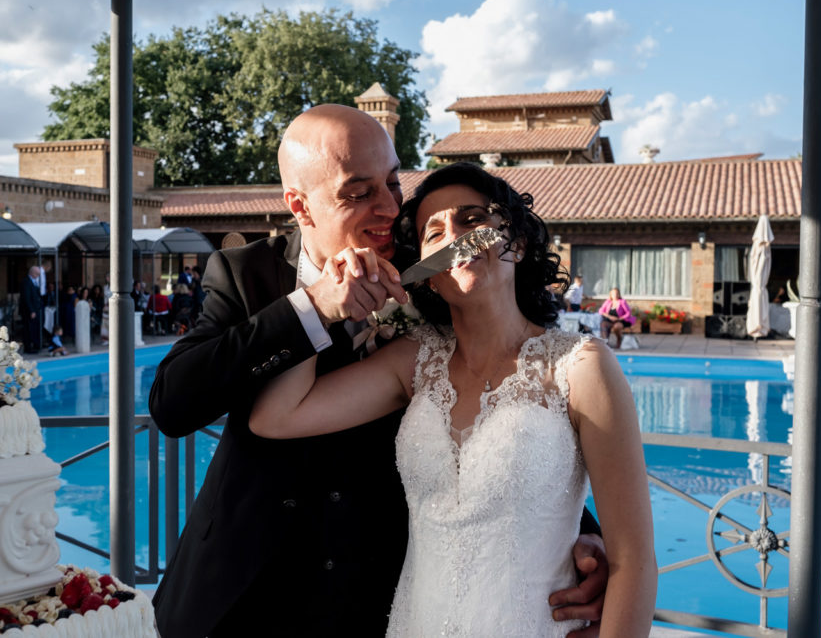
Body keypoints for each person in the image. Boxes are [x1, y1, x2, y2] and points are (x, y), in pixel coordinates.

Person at [149, 104, 608, 638]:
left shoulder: (437, 268)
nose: (391, 207)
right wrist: (313, 308)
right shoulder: (247, 273)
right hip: (238, 592)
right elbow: (172, 405)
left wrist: (578, 533)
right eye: (359, 192)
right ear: (300, 206)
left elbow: (508, 401)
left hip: (377, 598)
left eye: (393, 182)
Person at [250, 162, 656, 637]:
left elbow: (633, 560)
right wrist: (320, 306)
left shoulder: (582, 367)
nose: (454, 238)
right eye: (433, 232)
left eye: (471, 220)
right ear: (427, 273)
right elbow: (276, 416)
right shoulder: (412, 363)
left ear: (517, 243)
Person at [20, 266, 43, 353]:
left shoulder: (33, 282)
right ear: (32, 273)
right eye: (37, 274)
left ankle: (34, 345)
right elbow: (26, 298)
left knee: (33, 328)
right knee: (28, 329)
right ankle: (28, 347)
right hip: (28, 311)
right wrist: (31, 310)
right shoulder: (26, 282)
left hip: (34, 309)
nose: (38, 276)